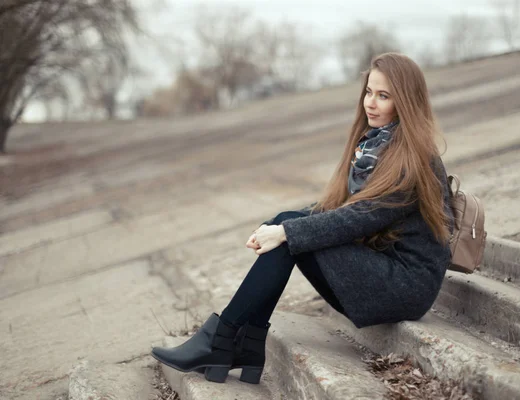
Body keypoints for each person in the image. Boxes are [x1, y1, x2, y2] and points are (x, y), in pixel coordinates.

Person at [150, 52, 454, 385]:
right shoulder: (375, 146)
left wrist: (284, 232)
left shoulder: (413, 158)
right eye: (369, 92)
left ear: (406, 101)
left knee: (292, 234)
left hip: (404, 285)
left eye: (384, 96)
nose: (371, 103)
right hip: (380, 269)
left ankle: (223, 341)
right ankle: (239, 343)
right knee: (288, 226)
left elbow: (360, 217)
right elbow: (338, 207)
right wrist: (275, 227)